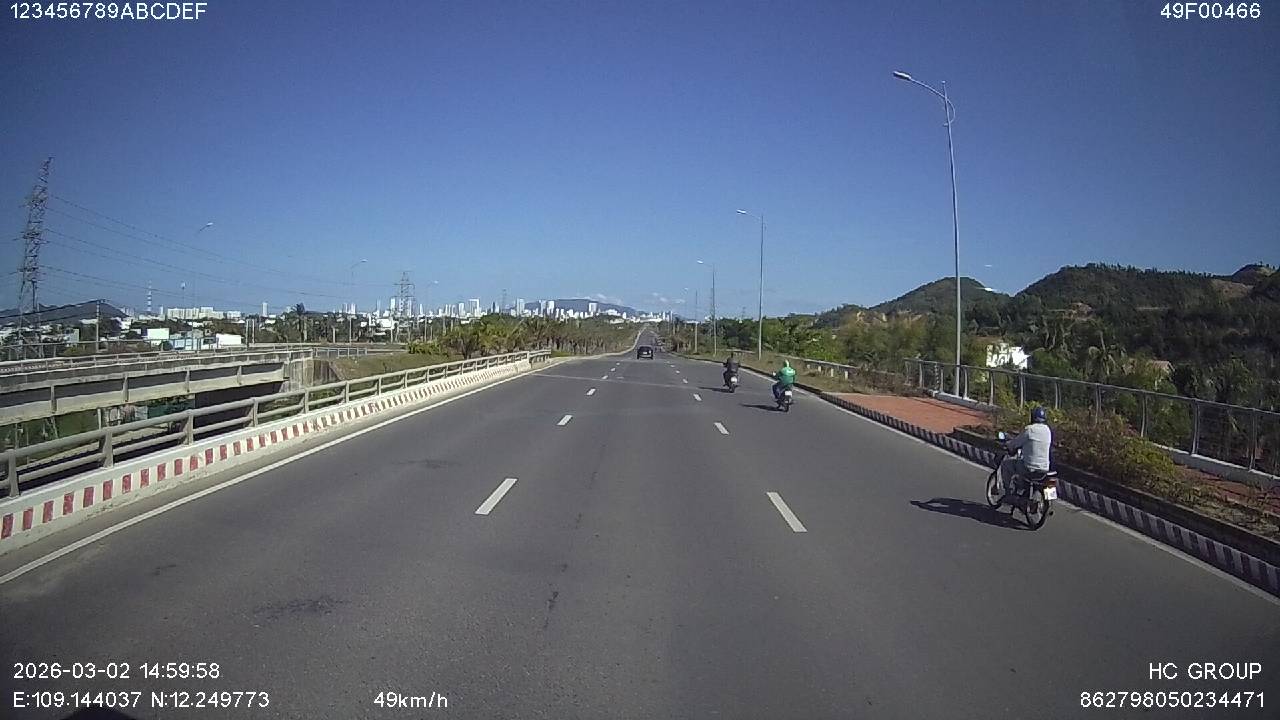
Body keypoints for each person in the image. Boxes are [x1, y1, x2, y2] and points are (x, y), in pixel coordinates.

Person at [1000, 406, 1053, 495]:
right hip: (1044, 468)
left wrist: (1009, 445)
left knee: (1006, 465)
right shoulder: (1048, 430)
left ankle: (1008, 493)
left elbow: (1016, 443)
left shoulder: (1030, 429)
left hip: (1029, 468)